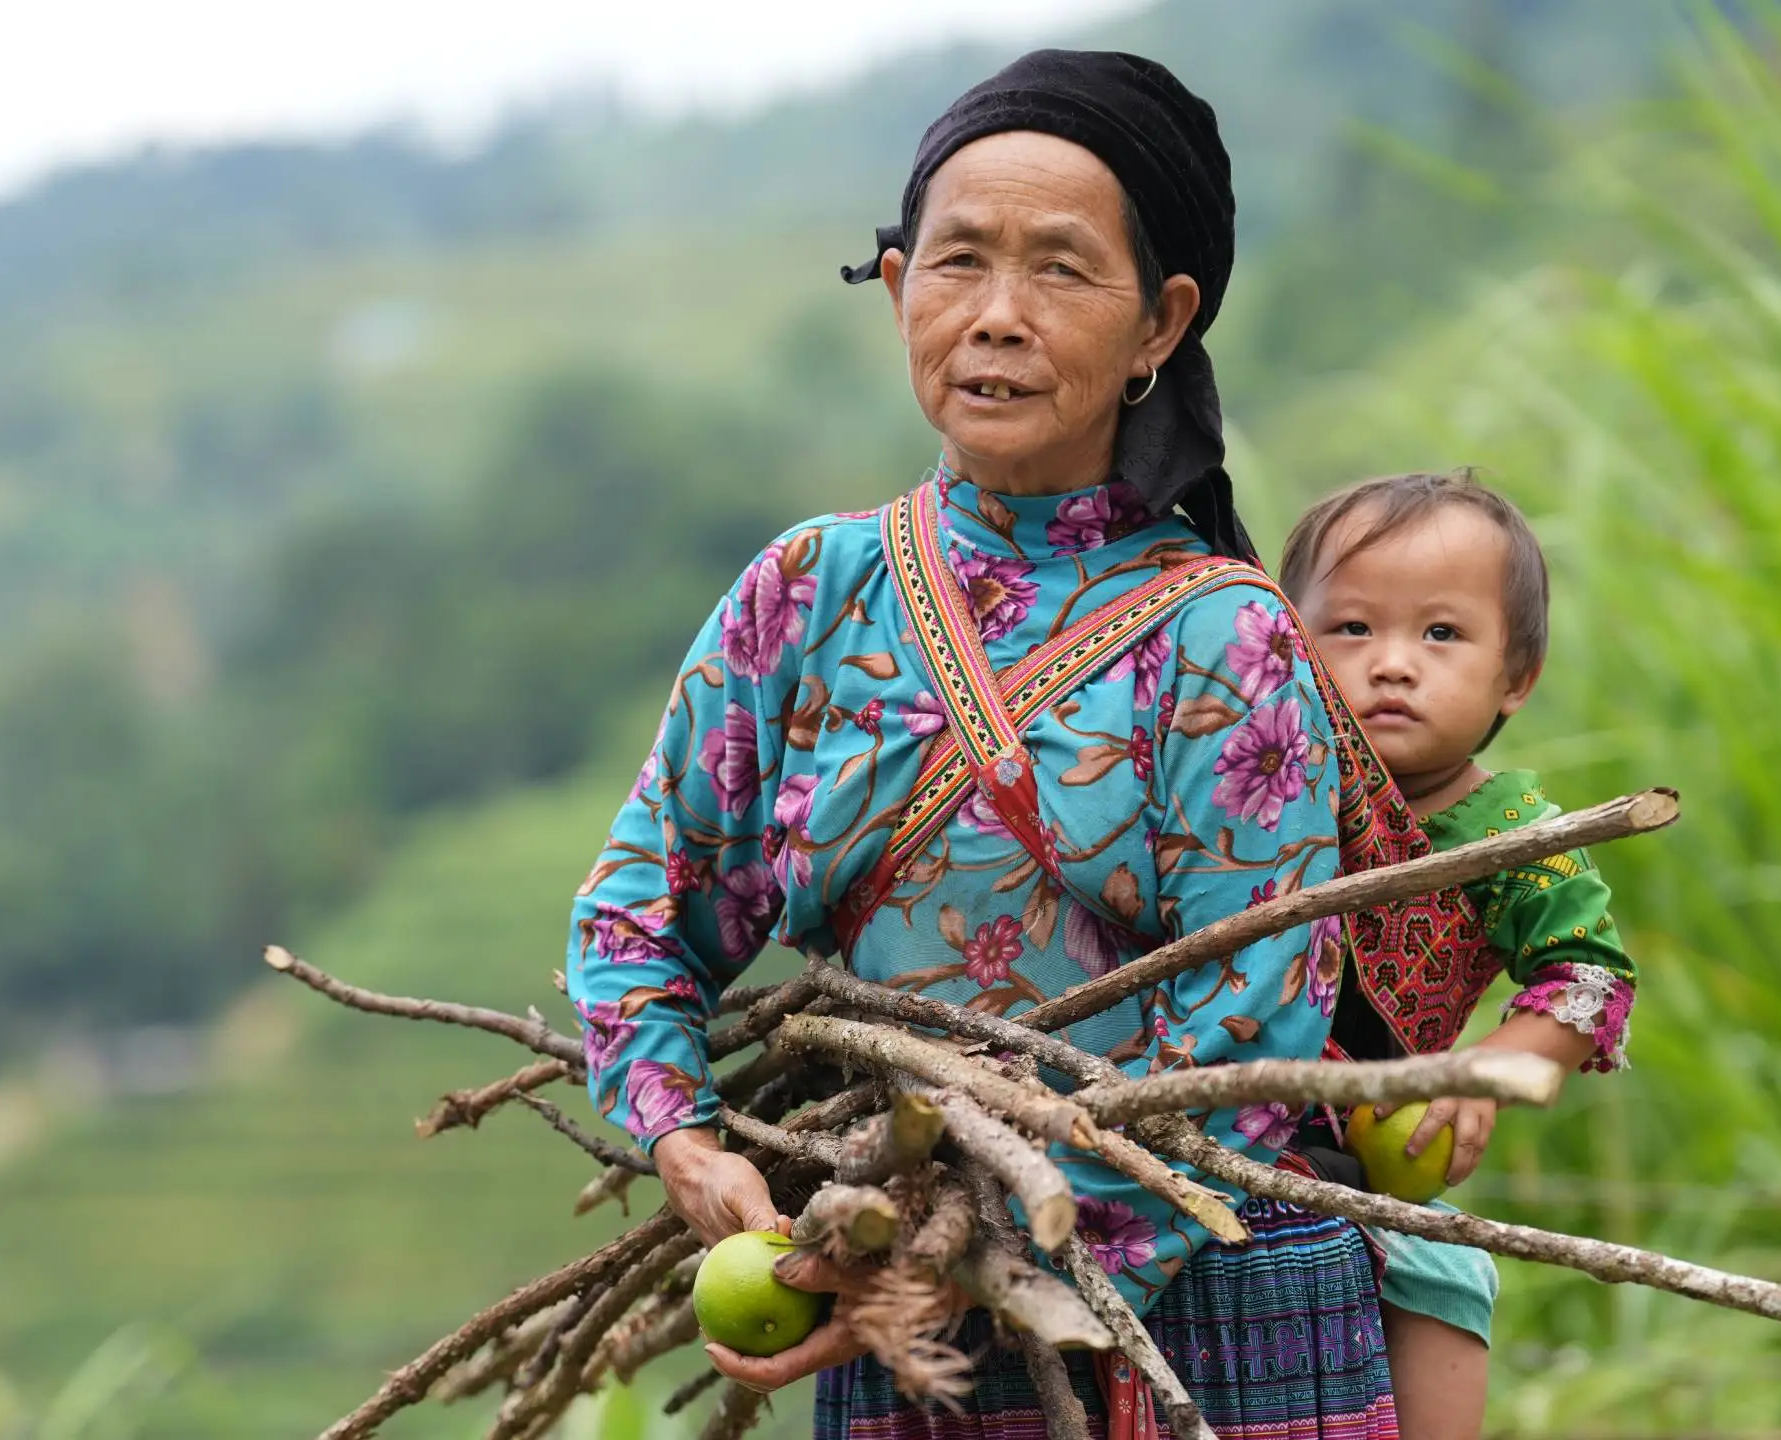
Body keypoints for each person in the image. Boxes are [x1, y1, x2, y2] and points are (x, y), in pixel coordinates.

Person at [566, 49, 1486, 1440]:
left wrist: (974, 1266)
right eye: (958, 263)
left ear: (1161, 324)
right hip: (892, 1316)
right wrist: (689, 1141)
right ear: (896, 290)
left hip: (1215, 1320)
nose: (997, 316)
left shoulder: (1221, 639)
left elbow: (1251, 1025)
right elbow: (642, 914)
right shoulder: (807, 599)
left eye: (1061, 270)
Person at [1277, 470, 1638, 1440]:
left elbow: (1589, 975)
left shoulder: (1509, 833)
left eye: (1440, 634)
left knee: (1441, 1286)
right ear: (1281, 646)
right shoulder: (1258, 781)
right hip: (1216, 1134)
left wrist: (1485, 1074)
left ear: (1515, 676)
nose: (1391, 664)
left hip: (1387, 1167)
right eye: (1349, 629)